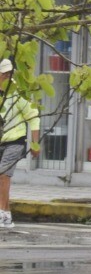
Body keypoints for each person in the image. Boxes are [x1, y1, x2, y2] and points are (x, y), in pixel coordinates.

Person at [0, 58, 41, 230]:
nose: (7, 76)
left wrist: (35, 143)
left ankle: (2, 212)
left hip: (15, 142)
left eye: (10, 73)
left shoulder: (19, 94)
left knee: (2, 175)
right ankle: (7, 216)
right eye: (4, 73)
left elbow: (33, 117)